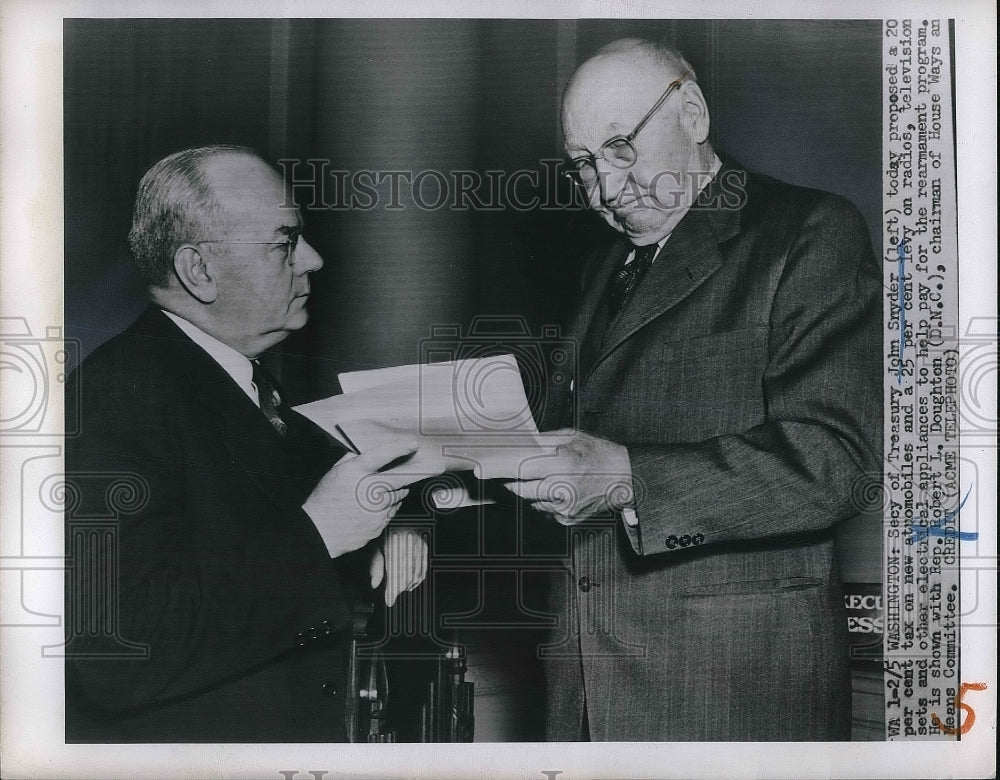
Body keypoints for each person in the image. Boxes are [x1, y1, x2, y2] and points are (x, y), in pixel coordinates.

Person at [505, 39, 882, 740]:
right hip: (588, 691)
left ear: (694, 112)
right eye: (584, 166)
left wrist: (626, 479)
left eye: (621, 148)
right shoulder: (600, 268)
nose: (608, 188)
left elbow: (839, 462)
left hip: (731, 693)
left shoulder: (809, 232)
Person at [64, 145, 434, 742]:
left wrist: (391, 523)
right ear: (199, 271)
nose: (313, 259)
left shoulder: (242, 383)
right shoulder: (115, 397)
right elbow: (117, 650)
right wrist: (319, 534)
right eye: (284, 243)